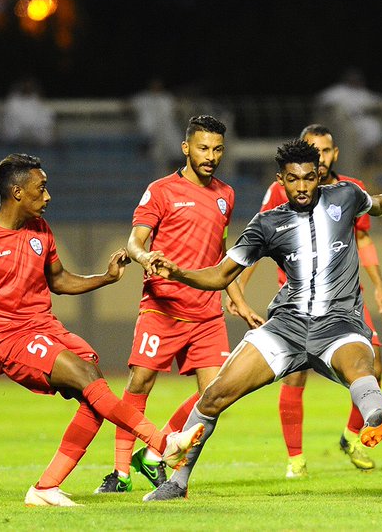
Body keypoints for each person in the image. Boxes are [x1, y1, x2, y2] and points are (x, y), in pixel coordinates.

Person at [0, 154, 204, 507]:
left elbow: (60, 280)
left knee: (93, 389)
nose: (47, 196)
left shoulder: (40, 231)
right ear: (17, 192)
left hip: (44, 328)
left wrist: (106, 278)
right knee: (86, 376)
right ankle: (162, 443)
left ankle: (46, 487)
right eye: (41, 188)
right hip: (6, 338)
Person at [142, 139, 382, 502]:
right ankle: (177, 484)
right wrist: (177, 273)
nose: (302, 186)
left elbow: (379, 204)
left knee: (361, 366)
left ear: (320, 176)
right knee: (212, 397)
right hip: (286, 328)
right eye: (293, 179)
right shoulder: (267, 224)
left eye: (309, 178)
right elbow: (220, 275)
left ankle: (375, 417)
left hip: (338, 322)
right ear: (281, 180)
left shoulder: (345, 196)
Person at [95, 115, 261, 495]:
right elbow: (136, 240)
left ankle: (156, 454)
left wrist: (237, 300)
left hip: (206, 313)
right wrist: (143, 257)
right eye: (203, 148)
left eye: (218, 149)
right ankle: (120, 474)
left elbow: (221, 253)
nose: (211, 156)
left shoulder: (226, 195)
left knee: (218, 393)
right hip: (162, 308)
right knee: (140, 383)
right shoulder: (160, 191)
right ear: (186, 148)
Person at [236, 124, 382, 477]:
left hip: (344, 299)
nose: (319, 158)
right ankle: (296, 460)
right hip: (297, 303)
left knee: (375, 366)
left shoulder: (348, 191)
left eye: (324, 151)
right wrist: (240, 288)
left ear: (334, 154)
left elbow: (364, 238)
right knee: (295, 377)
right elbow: (253, 245)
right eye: (313, 151)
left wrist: (380, 286)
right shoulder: (283, 190)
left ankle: (352, 437)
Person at [315, 68, 382, 167]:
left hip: (361, 121)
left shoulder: (362, 92)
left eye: (357, 79)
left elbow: (381, 102)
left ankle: (370, 155)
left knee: (371, 125)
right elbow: (322, 100)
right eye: (353, 79)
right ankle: (367, 157)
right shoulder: (339, 90)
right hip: (344, 122)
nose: (355, 81)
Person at [131, 77, 183, 173]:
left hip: (167, 130)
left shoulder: (167, 97)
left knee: (174, 151)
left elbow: (177, 109)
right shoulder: (143, 98)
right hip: (150, 133)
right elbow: (127, 106)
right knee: (157, 157)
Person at [0, 77, 55, 147]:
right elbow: (7, 120)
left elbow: (47, 119)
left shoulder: (38, 101)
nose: (27, 89)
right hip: (15, 141)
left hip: (37, 141)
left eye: (29, 87)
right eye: (25, 87)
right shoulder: (13, 101)